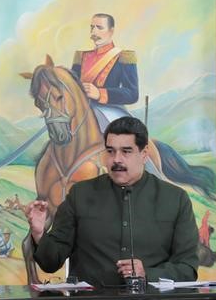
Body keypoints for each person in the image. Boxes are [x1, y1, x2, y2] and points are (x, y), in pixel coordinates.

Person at [25, 117, 199, 286]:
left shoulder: (175, 199)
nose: (116, 159)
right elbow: (51, 262)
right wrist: (39, 234)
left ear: (144, 154)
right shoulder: (80, 194)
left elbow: (187, 269)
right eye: (110, 151)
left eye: (126, 151)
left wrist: (147, 273)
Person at [71, 13, 139, 130]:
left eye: (99, 28)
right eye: (92, 27)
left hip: (110, 111)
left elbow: (132, 94)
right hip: (80, 112)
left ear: (111, 31)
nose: (94, 33)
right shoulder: (81, 56)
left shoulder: (124, 56)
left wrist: (99, 94)